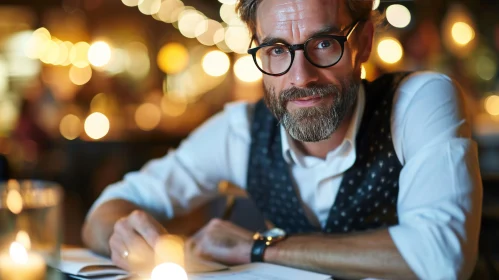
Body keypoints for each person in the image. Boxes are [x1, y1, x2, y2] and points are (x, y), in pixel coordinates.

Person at [82, 0, 483, 279]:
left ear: (362, 44)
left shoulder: (418, 102)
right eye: (276, 50)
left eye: (323, 43)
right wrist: (122, 234)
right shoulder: (240, 130)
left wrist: (260, 248)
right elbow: (102, 214)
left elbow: (442, 259)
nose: (299, 77)